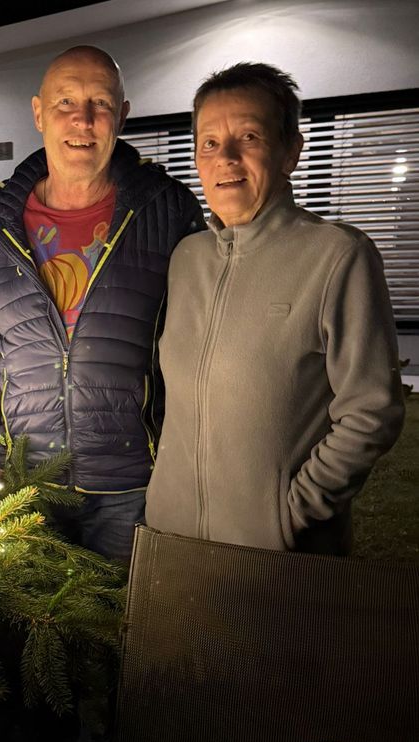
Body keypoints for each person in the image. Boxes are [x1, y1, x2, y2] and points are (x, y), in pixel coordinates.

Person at [146, 62, 405, 555]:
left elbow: (373, 411)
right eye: (209, 142)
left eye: (249, 136)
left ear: (290, 151)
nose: (226, 158)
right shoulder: (186, 259)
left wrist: (291, 515)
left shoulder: (336, 255)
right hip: (173, 538)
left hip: (277, 552)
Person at [0, 45, 204, 563]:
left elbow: (199, 345)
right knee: (36, 634)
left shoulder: (166, 210)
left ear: (121, 114)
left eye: (99, 102)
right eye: (65, 102)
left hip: (132, 481)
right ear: (38, 113)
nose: (83, 118)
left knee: (127, 626)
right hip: (27, 479)